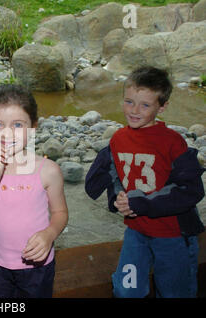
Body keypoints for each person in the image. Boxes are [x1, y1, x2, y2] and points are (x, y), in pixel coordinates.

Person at [85, 66, 205, 298]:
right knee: (126, 289)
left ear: (162, 107)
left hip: (173, 236)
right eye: (129, 102)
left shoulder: (173, 142)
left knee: (174, 292)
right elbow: (116, 175)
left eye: (145, 105)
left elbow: (190, 190)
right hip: (136, 232)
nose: (134, 110)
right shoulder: (118, 139)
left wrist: (142, 202)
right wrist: (118, 197)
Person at [0, 84, 69, 298]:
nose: (7, 133)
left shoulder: (48, 170)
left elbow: (60, 213)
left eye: (17, 125)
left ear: (33, 127)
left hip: (37, 265)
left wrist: (49, 234)